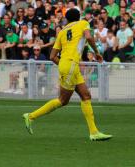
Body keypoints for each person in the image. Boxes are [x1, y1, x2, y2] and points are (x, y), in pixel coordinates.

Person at [22, 8, 112, 141]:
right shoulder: (83, 23)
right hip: (71, 65)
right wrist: (97, 52)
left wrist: (65, 66)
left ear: (68, 19)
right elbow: (88, 37)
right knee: (63, 100)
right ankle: (30, 116)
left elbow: (52, 56)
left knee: (86, 95)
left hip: (68, 65)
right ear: (79, 17)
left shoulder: (62, 32)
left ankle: (94, 132)